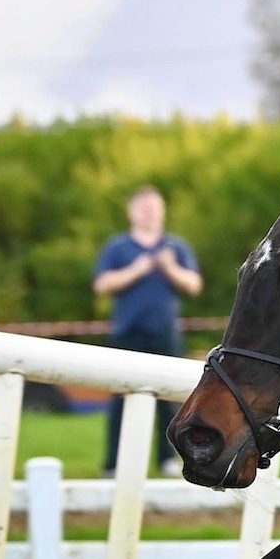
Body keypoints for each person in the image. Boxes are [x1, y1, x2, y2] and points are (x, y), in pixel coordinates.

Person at [93, 186, 201, 477]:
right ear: (132, 212)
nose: (150, 214)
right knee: (119, 400)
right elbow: (102, 285)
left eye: (155, 208)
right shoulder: (118, 248)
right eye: (145, 208)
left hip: (166, 333)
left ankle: (167, 460)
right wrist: (136, 270)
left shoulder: (175, 248)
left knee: (170, 402)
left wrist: (169, 268)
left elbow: (193, 285)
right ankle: (113, 464)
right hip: (127, 332)